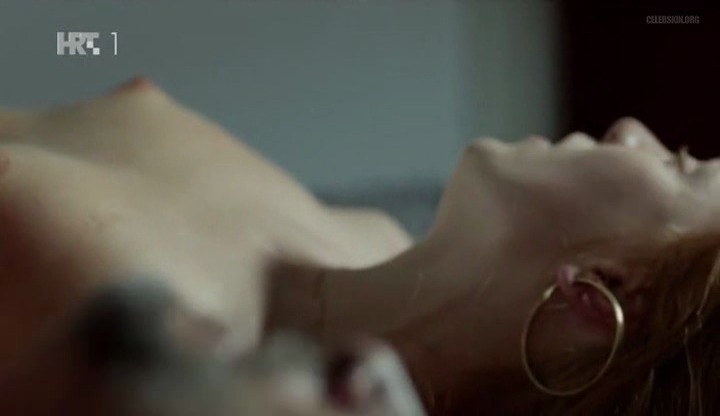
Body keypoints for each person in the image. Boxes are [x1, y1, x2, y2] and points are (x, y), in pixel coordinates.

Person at [1, 76, 717, 415]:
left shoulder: (121, 330)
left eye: (677, 165)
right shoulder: (374, 240)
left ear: (609, 288)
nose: (630, 129)